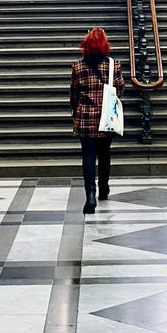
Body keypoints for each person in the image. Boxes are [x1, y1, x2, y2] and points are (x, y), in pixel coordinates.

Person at [70, 27, 124, 215]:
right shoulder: (113, 65)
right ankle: (104, 188)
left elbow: (74, 94)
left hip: (85, 118)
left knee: (88, 156)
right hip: (107, 118)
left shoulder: (77, 66)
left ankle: (90, 195)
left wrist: (75, 111)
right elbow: (120, 89)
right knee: (105, 154)